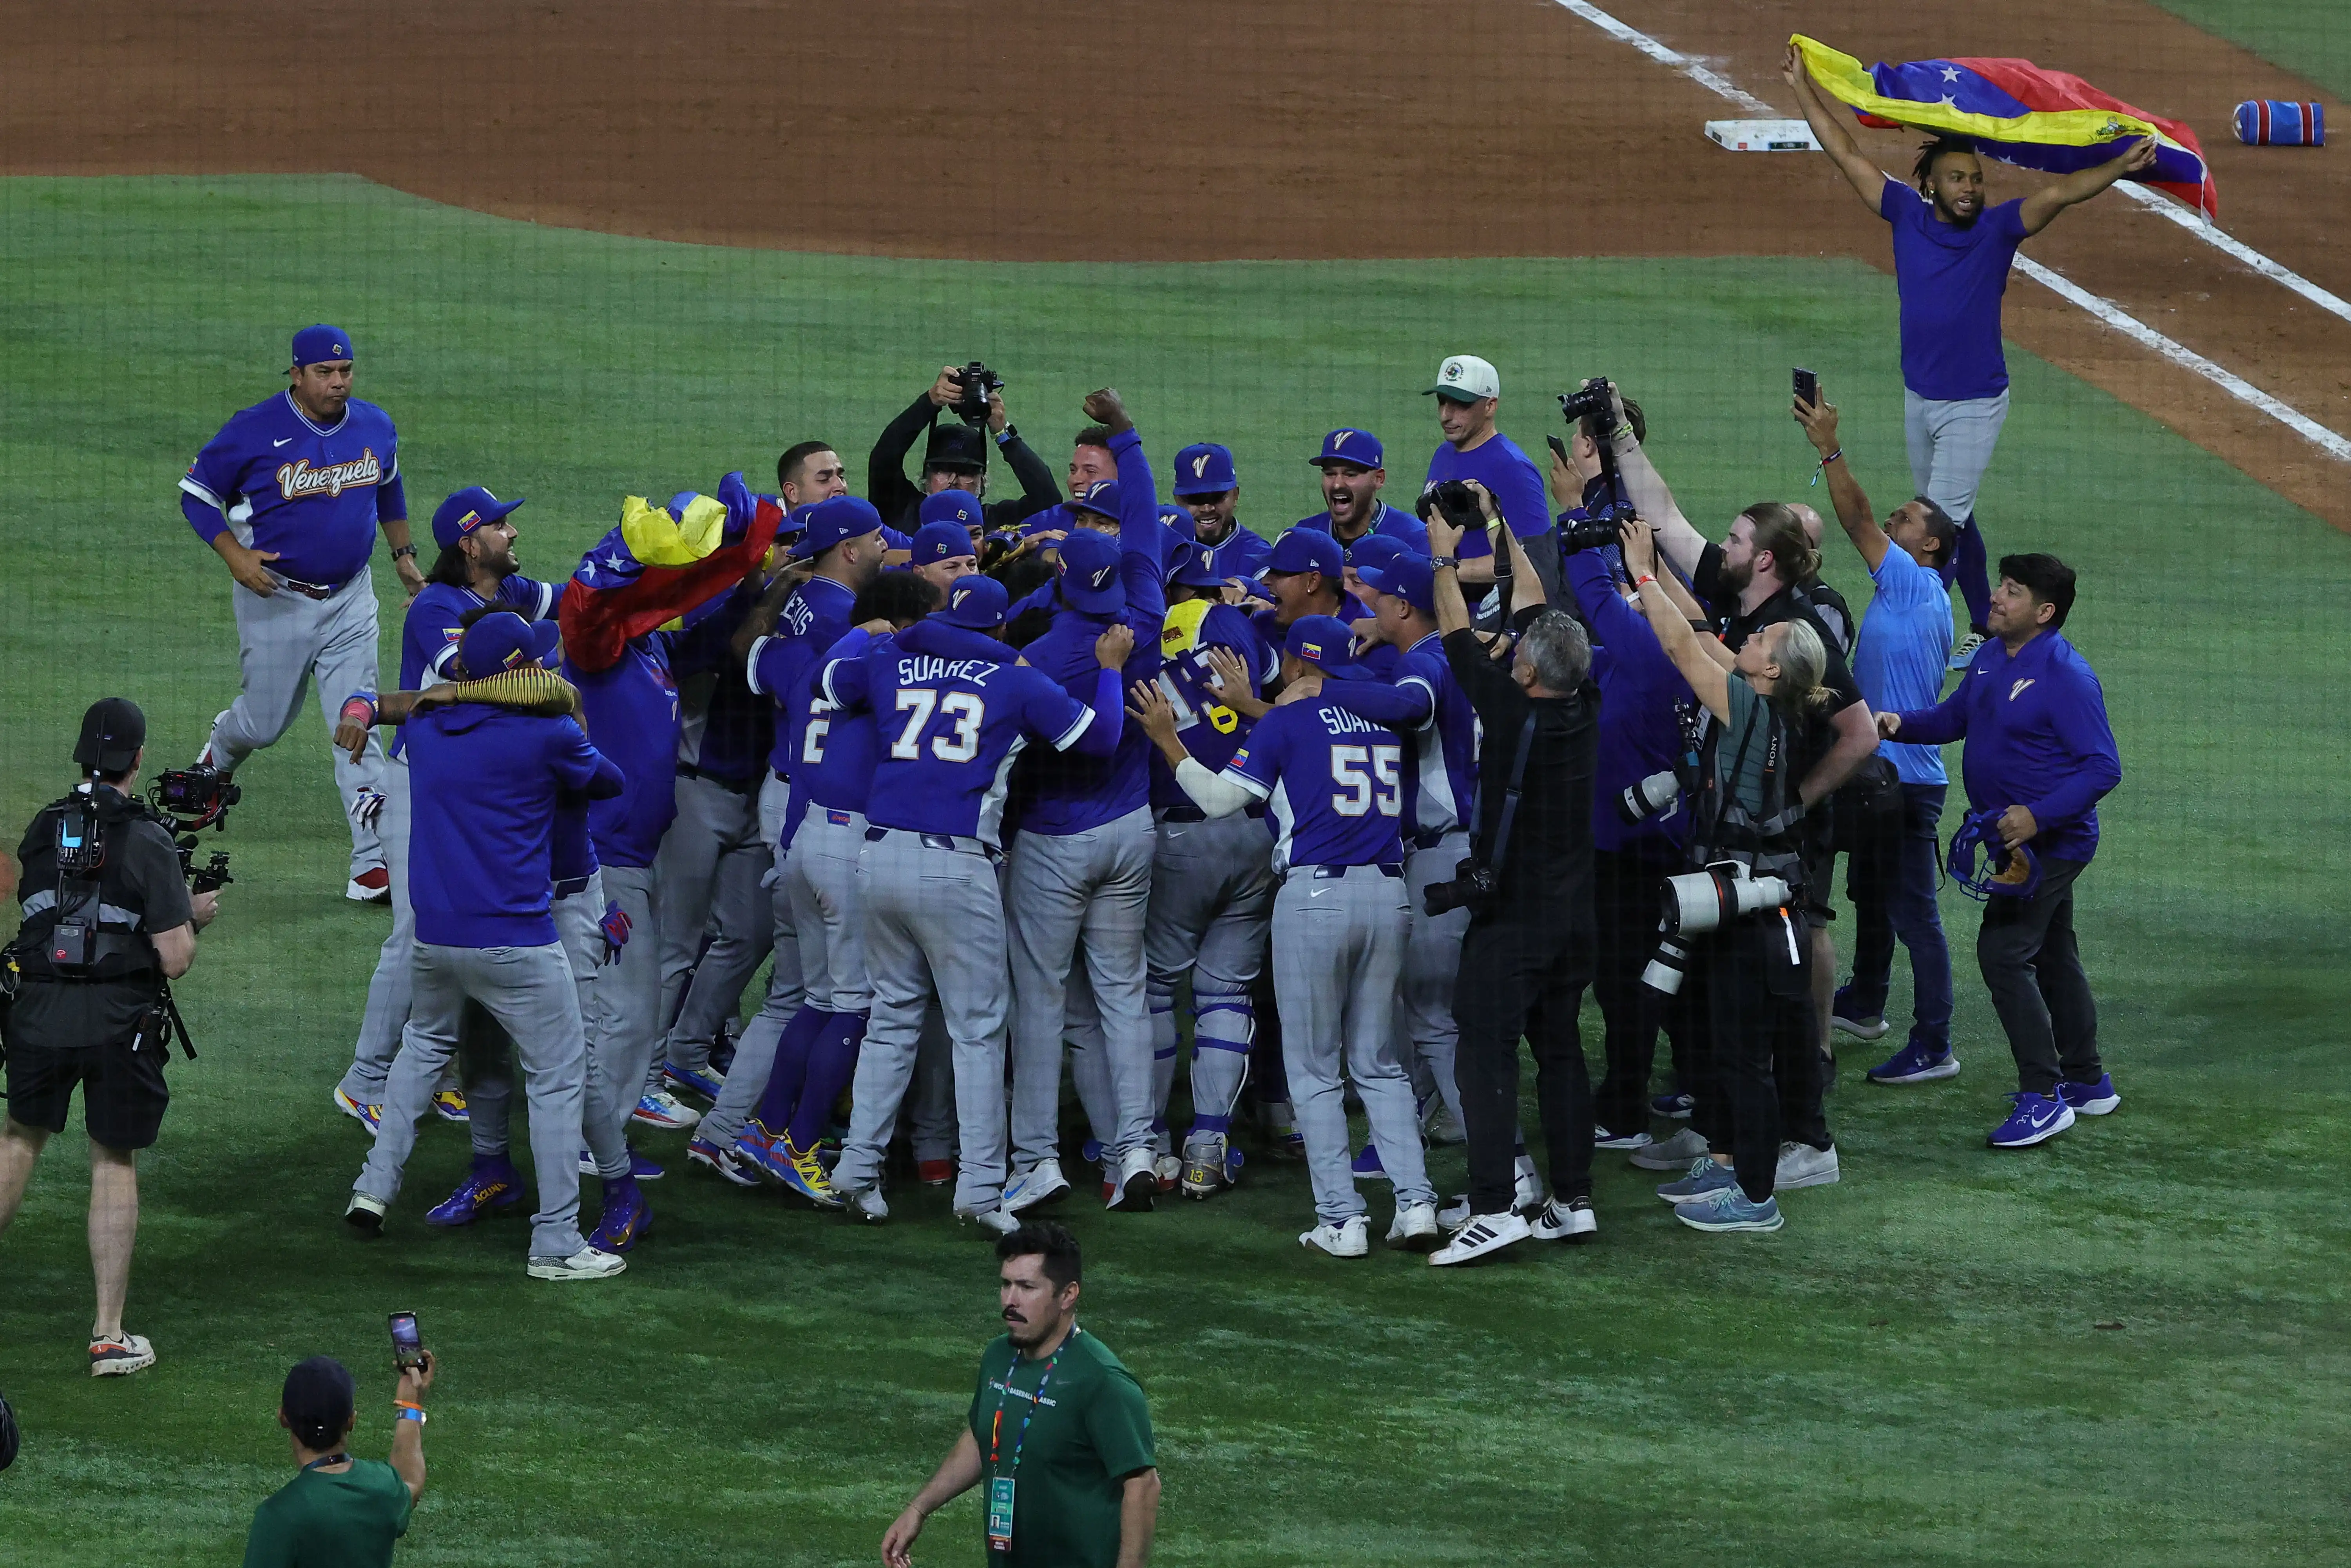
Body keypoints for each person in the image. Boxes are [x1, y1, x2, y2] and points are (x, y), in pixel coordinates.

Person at [1784, 44, 2157, 668]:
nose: (1971, 189)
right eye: (1958, 178)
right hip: (1919, 396)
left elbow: (2063, 193)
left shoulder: (2000, 227)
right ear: (1928, 183)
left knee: (1939, 523)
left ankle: (1918, 622)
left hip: (1975, 402)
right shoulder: (1903, 211)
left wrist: (2118, 166)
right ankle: (1989, 620)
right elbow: (1845, 152)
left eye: (1977, 179)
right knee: (1953, 515)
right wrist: (1802, 88)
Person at [819, 575, 1128, 1231]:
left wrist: (880, 636)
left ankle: (856, 1169)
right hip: (954, 865)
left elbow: (830, 684)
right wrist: (1109, 672)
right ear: (995, 630)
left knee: (892, 1018)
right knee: (979, 1030)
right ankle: (982, 1191)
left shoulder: (890, 660)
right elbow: (1099, 739)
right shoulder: (1014, 680)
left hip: (877, 855)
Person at [1131, 615, 1440, 1257]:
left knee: (1315, 1067)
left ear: (1296, 664)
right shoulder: (1377, 717)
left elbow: (1219, 800)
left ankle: (1341, 1219)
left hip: (1317, 899)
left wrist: (1169, 741)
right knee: (1379, 1064)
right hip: (1388, 893)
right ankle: (1416, 1207)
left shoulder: (1283, 722)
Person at [344, 614, 632, 1277]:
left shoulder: (426, 726)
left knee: (423, 1046)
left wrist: (412, 699)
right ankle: (557, 1241)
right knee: (560, 1077)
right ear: (528, 672)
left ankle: (373, 1186)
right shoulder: (548, 733)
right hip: (516, 940)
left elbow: (400, 704)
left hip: (437, 936)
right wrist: (570, 707)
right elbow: (609, 782)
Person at [1393, 518, 1601, 1266]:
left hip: (1516, 916)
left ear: (1529, 675)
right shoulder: (1584, 701)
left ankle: (1492, 1206)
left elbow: (1454, 632)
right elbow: (1536, 614)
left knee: (1483, 1048)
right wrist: (1499, 523)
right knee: (1561, 1051)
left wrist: (1445, 554)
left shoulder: (1513, 711)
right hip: (1578, 913)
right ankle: (1572, 1200)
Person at [1622, 519, 1836, 1235]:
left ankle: (1756, 1195)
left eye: (1761, 642)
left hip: (1755, 914)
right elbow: (1705, 634)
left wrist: (1642, 577)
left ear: (1771, 670)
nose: (1750, 638)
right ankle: (1722, 1157)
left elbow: (1685, 648)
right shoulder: (1764, 699)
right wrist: (1654, 566)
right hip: (1738, 903)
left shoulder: (1746, 708)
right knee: (1722, 1044)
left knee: (1746, 1059)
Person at [0, 699, 221, 1374]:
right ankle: (108, 1335)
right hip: (116, 1024)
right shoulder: (149, 839)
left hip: (34, 1010)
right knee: (112, 1160)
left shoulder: (43, 828)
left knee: (17, 1141)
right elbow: (175, 956)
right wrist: (191, 911)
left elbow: (52, 916)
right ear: (138, 760)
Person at [335, 485, 559, 1132]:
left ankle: (433, 1073)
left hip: (466, 787)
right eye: (500, 525)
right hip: (417, 784)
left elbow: (574, 604)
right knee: (415, 934)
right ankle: (365, 1080)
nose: (512, 533)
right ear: (470, 542)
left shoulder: (507, 594)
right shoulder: (436, 606)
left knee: (458, 930)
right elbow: (468, 676)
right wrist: (540, 673)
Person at [1878, 554, 2121, 1148]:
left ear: (2044, 611)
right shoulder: (1990, 656)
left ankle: (2043, 1094)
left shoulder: (2067, 675)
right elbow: (1954, 717)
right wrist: (1895, 723)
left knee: (2003, 952)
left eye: (2013, 592)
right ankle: (2087, 1081)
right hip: (2011, 838)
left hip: (2051, 846)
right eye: (2001, 586)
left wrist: (2036, 816)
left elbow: (2103, 767)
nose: (1996, 596)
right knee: (2053, 952)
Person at [1002, 389, 1170, 1215]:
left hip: (1054, 843)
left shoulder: (1045, 655)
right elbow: (1141, 525)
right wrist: (1129, 437)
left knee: (1039, 1002)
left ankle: (1038, 1161)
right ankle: (1135, 1148)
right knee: (1123, 994)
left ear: (1061, 571)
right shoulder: (1146, 608)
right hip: (1132, 830)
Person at [179, 325, 416, 902]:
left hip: (352, 600)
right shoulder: (255, 429)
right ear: (296, 375)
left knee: (358, 723)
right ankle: (222, 748)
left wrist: (403, 555)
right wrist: (233, 554)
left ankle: (371, 864)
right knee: (263, 724)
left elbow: (388, 483)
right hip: (275, 599)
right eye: (324, 373)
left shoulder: (374, 424)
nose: (338, 383)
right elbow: (196, 493)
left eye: (346, 371)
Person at [719, 495, 892, 1199]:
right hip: (843, 831)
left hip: (800, 816)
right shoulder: (865, 645)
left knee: (815, 996)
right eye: (879, 537)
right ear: (849, 549)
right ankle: (800, 1142)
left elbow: (749, 657)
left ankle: (762, 1130)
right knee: (849, 1001)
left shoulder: (801, 634)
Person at [1793, 389, 1963, 1085]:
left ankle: (1935, 1043)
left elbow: (1856, 517)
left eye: (1908, 519)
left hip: (1907, 782)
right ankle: (1864, 1000)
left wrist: (1828, 448)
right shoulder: (1911, 595)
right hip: (1878, 775)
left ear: (1929, 545)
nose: (1893, 521)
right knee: (1871, 894)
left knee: (1915, 914)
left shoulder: (1916, 585)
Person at [1314, 552, 1478, 1153]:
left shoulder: (1428, 664)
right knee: (1427, 1006)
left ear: (1405, 607)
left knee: (1433, 1012)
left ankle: (1498, 1162)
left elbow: (1411, 706)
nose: (1368, 605)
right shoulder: (1459, 651)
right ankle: (1410, 1128)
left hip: (1443, 852)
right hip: (1463, 849)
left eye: (1377, 597)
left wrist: (1325, 688)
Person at [882, 1222, 1158, 1568]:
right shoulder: (999, 1357)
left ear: (1068, 1295)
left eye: (1027, 1287)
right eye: (1006, 1284)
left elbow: (1142, 1484)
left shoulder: (1102, 1380)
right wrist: (919, 1508)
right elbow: (984, 1436)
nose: (1010, 1301)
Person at [1558, 494, 1699, 1162]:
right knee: (1649, 980)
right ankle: (1682, 1087)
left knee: (1626, 983)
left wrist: (1568, 518)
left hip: (1637, 853)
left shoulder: (1651, 653)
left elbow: (1591, 592)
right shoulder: (1639, 652)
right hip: (1639, 842)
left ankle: (1625, 1109)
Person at [1139, 543, 1275, 1198]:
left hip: (1180, 833)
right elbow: (1270, 672)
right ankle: (1208, 1145)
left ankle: (1150, 1142)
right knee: (1226, 993)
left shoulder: (1141, 627)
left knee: (1157, 989)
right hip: (1251, 830)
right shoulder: (1231, 623)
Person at [243, 1351, 431, 1568]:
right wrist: (410, 1403)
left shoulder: (278, 1516)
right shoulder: (383, 1488)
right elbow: (411, 1482)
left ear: (284, 1418)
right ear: (351, 1420)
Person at [1420, 353, 1557, 599]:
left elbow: (1535, 561)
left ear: (1490, 406)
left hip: (1489, 621)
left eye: (1460, 405)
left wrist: (1445, 567)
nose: (1445, 415)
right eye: (1442, 402)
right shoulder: (1443, 454)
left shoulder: (1512, 468)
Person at [868, 363, 1061, 535]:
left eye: (966, 472)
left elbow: (1049, 501)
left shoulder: (997, 522)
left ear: (982, 480)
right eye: (942, 470)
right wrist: (930, 402)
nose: (953, 481)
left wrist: (1003, 434)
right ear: (926, 478)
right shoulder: (902, 509)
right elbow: (883, 459)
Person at [1294, 429, 1427, 558]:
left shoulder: (1414, 538)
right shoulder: (1306, 534)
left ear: (1379, 479)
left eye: (1350, 475)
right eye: (1330, 474)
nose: (1337, 484)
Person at [1170, 442, 1273, 583]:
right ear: (1178, 500)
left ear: (1235, 496)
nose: (1207, 509)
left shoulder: (1258, 555)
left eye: (1216, 497)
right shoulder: (1163, 548)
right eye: (1195, 499)